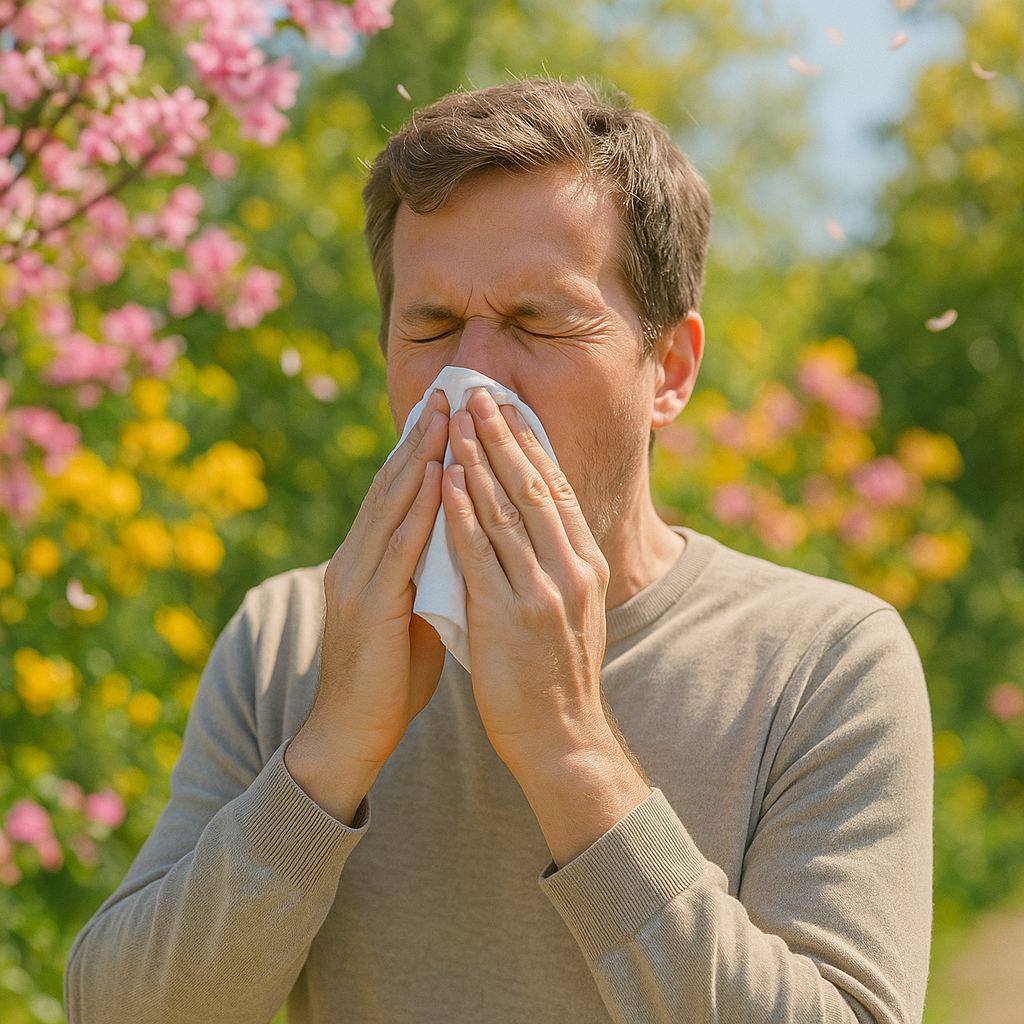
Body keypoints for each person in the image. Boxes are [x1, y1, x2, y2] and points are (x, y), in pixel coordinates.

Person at [64, 79, 933, 1024]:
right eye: (431, 327)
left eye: (538, 323)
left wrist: (569, 749)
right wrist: (329, 754)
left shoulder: (826, 660)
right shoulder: (288, 636)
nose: (472, 380)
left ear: (670, 371)